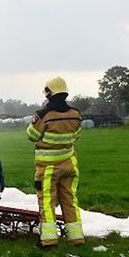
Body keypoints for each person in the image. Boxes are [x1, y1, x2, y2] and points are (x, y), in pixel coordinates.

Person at [27, 76, 85, 247]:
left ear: (48, 93)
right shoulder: (76, 114)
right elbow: (76, 136)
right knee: (70, 199)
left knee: (47, 200)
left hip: (48, 168)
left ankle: (49, 239)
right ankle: (76, 237)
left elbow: (32, 136)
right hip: (69, 164)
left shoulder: (44, 115)